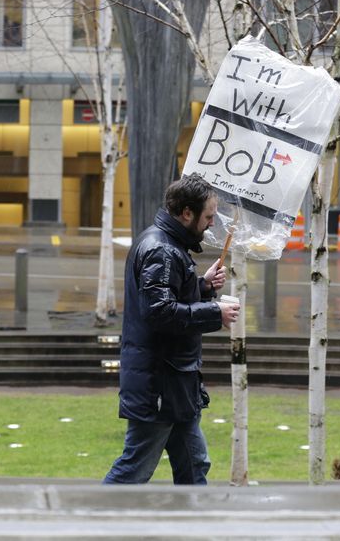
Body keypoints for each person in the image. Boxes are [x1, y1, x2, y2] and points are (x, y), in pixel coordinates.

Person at [103, 174, 240, 485]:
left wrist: (202, 287)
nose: (211, 223)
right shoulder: (162, 251)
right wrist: (213, 311)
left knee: (194, 465)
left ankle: (194, 526)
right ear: (187, 213)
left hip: (174, 383)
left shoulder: (167, 246)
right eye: (208, 215)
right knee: (134, 469)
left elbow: (166, 300)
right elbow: (160, 312)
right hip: (161, 385)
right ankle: (93, 524)